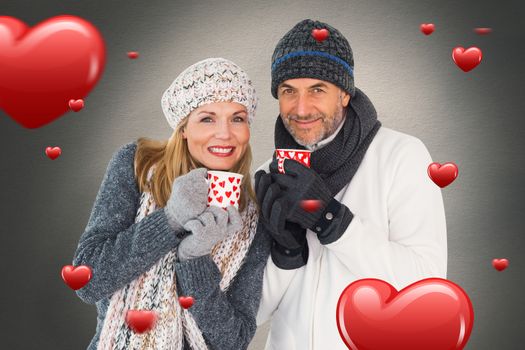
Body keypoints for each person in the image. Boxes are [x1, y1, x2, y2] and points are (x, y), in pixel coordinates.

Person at [254, 19, 447, 349]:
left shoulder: (401, 156)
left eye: (317, 89)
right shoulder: (270, 176)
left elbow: (427, 290)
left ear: (344, 93)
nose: (301, 109)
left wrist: (330, 220)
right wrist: (285, 252)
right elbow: (252, 314)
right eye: (289, 91)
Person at [72, 58, 271, 350]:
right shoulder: (137, 166)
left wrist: (195, 260)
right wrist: (169, 221)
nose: (225, 133)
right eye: (207, 118)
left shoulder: (252, 222)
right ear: (183, 129)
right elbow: (88, 280)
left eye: (237, 118)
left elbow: (234, 340)